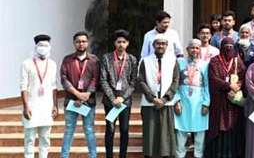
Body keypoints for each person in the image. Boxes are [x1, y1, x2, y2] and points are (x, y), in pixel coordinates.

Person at [138, 34, 180, 158]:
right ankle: (148, 155)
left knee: (165, 132)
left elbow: (176, 80)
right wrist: (152, 98)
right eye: (158, 43)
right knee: (149, 131)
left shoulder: (173, 60)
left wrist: (166, 98)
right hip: (149, 102)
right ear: (153, 45)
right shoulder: (145, 61)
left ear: (167, 45)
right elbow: (141, 80)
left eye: (163, 44)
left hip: (166, 102)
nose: (160, 46)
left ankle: (165, 155)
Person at [60, 31, 100, 158]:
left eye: (83, 41)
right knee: (69, 130)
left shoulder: (94, 60)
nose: (81, 44)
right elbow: (63, 78)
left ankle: (93, 155)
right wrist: (77, 94)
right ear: (74, 43)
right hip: (71, 101)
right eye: (78, 41)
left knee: (89, 130)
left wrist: (87, 93)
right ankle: (64, 156)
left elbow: (96, 78)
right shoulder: (67, 60)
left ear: (87, 43)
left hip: (89, 101)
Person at [204, 37, 245, 158]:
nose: (228, 49)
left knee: (233, 127)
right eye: (226, 46)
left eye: (231, 47)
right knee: (218, 126)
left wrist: (237, 87)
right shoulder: (215, 60)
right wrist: (228, 85)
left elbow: (243, 76)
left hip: (233, 101)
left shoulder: (238, 61)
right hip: (219, 100)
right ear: (221, 47)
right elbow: (213, 78)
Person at [99, 30, 138, 158]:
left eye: (124, 42)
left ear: (127, 44)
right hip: (110, 102)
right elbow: (103, 80)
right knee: (110, 130)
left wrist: (122, 97)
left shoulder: (132, 59)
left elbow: (133, 82)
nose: (121, 44)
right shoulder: (106, 58)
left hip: (125, 102)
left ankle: (123, 156)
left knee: (124, 130)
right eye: (118, 42)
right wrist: (113, 98)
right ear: (114, 43)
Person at [21, 34, 58, 158]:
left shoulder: (52, 64)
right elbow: (23, 87)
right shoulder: (26, 63)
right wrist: (26, 106)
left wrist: (55, 106)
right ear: (35, 47)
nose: (43, 48)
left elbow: (54, 86)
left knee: (45, 139)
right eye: (40, 45)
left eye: (46, 45)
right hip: (31, 106)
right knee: (30, 139)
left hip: (47, 106)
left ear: (50, 47)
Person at [173, 39, 210, 158]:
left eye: (197, 48)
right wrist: (176, 101)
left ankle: (198, 155)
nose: (194, 50)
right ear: (187, 49)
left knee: (200, 131)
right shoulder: (179, 62)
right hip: (183, 100)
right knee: (181, 130)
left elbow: (206, 85)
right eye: (192, 47)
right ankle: (180, 155)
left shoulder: (204, 65)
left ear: (200, 50)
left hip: (198, 101)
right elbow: (175, 83)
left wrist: (206, 103)